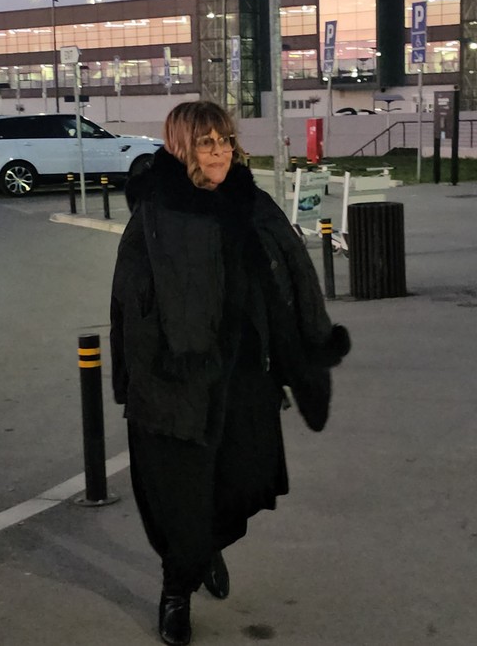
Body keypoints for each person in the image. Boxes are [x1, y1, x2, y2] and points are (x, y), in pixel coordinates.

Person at [110, 101, 350, 646]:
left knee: (240, 483)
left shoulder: (251, 202)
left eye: (224, 140)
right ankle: (177, 590)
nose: (219, 152)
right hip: (180, 384)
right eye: (206, 142)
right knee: (184, 497)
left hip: (245, 378)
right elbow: (129, 305)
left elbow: (295, 275)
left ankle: (207, 547)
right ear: (182, 147)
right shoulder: (158, 213)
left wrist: (308, 347)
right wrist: (137, 379)